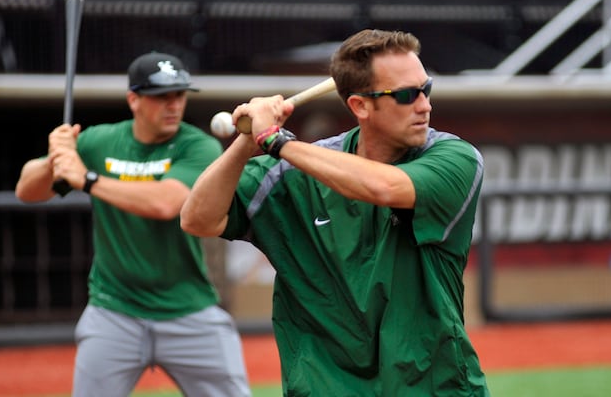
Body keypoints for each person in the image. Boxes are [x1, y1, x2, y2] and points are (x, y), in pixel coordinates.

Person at [181, 29, 490, 395]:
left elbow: (383, 187)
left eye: (427, 89)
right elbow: (197, 218)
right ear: (360, 106)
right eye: (407, 95)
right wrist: (246, 142)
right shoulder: (290, 175)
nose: (424, 105)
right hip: (326, 385)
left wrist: (275, 140)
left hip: (431, 385)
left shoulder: (455, 159)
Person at [15, 52, 251, 396]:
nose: (173, 105)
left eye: (179, 95)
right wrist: (55, 158)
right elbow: (26, 190)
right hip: (114, 310)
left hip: (188, 309)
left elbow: (166, 203)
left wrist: (87, 179)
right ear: (134, 100)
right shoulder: (102, 140)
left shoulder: (198, 146)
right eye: (161, 97)